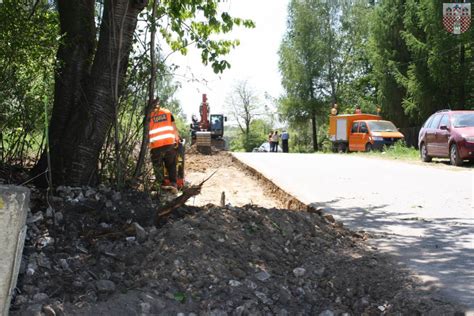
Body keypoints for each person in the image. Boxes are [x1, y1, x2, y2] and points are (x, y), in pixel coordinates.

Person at [148, 100, 180, 193]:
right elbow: (174, 128)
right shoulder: (167, 112)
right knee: (171, 165)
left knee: (158, 166)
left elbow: (146, 132)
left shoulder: (148, 116)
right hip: (169, 144)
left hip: (155, 146)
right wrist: (177, 139)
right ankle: (173, 184)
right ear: (158, 105)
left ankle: (160, 185)